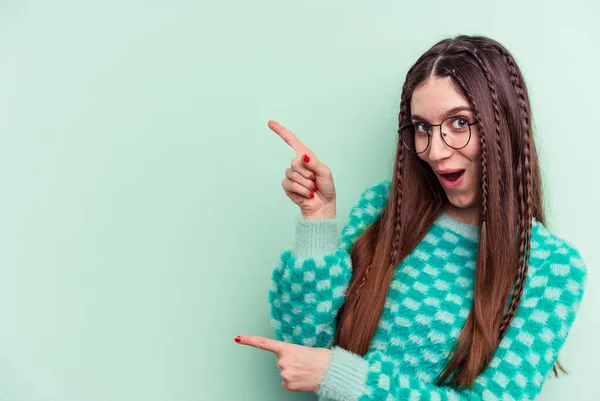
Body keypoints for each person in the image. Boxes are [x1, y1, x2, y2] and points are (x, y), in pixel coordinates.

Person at [235, 35, 588, 401]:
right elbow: (306, 345)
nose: (434, 151)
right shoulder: (383, 210)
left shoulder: (552, 268)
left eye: (460, 122)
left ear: (505, 125)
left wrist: (341, 376)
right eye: (422, 127)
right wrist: (318, 221)